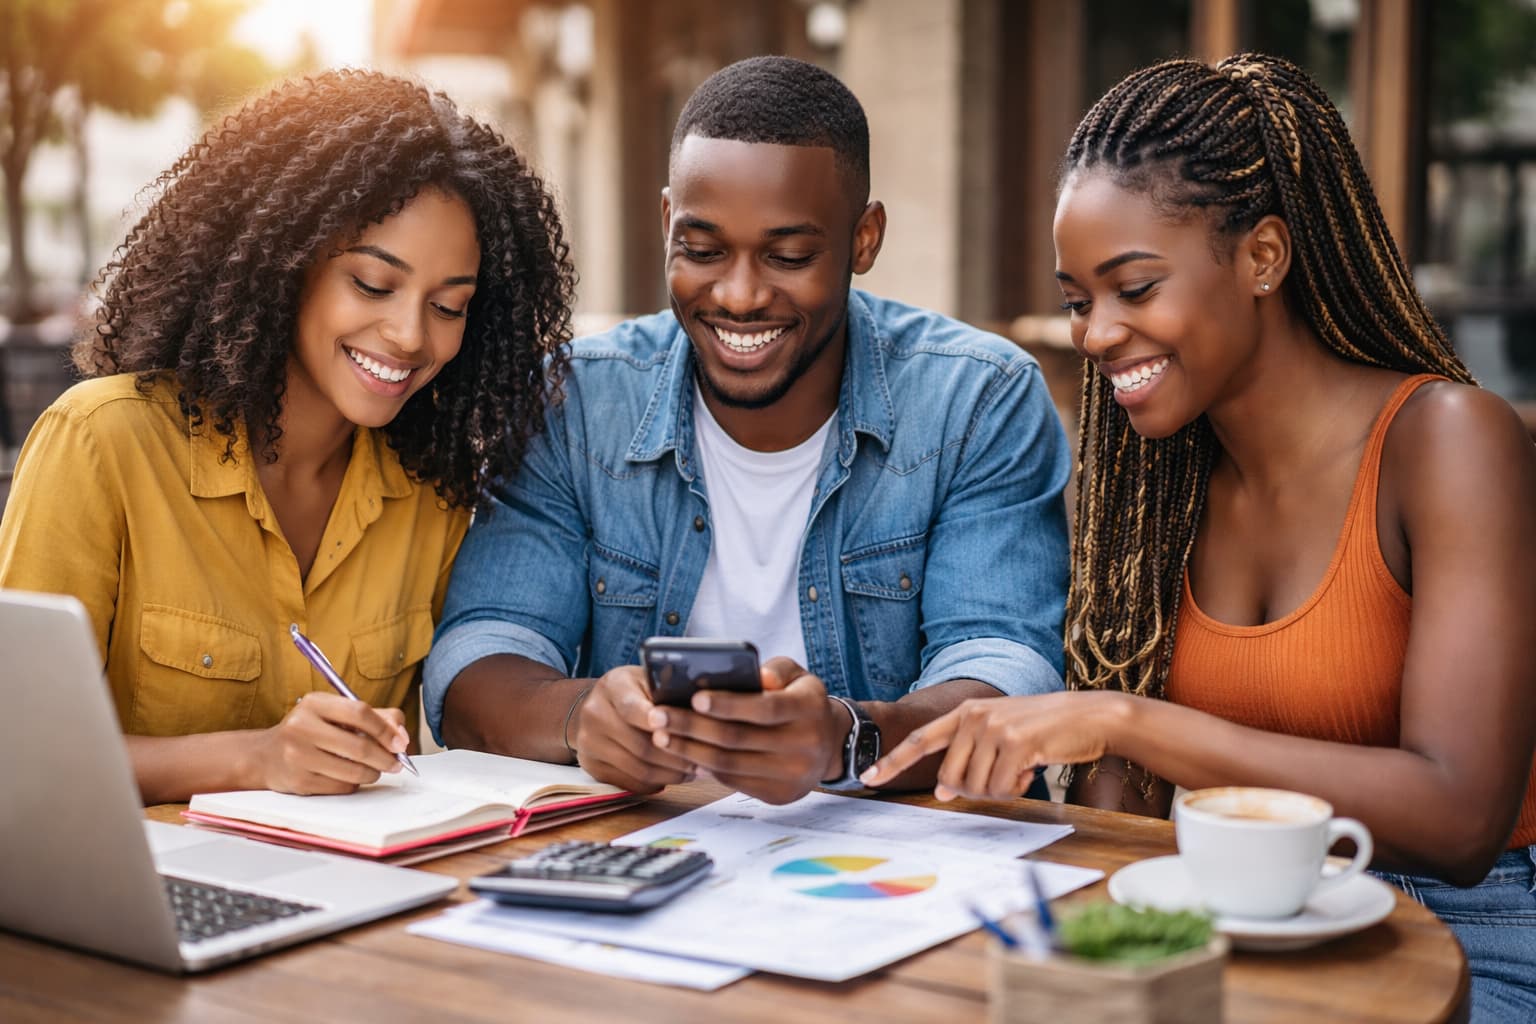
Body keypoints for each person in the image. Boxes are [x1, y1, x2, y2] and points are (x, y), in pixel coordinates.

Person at [864, 54, 1536, 1018]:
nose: (1095, 334)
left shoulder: (1450, 443)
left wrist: (1127, 719)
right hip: (1216, 923)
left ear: (1263, 257)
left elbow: (1460, 815)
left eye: (1133, 288)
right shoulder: (1159, 486)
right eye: (1078, 300)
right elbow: (1122, 820)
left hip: (1464, 940)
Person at [425, 55, 1070, 806]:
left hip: (881, 870)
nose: (738, 295)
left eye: (788, 256)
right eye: (701, 251)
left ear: (865, 239)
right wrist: (578, 718)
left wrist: (843, 738)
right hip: (647, 849)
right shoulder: (576, 400)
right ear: (667, 223)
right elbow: (480, 655)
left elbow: (1005, 669)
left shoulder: (978, 398)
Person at [0, 70, 575, 805]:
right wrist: (257, 759)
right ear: (282, 262)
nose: (409, 335)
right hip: (138, 892)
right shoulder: (102, 443)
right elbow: (20, 752)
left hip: (341, 889)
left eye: (449, 305)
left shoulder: (429, 492)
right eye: (372, 284)